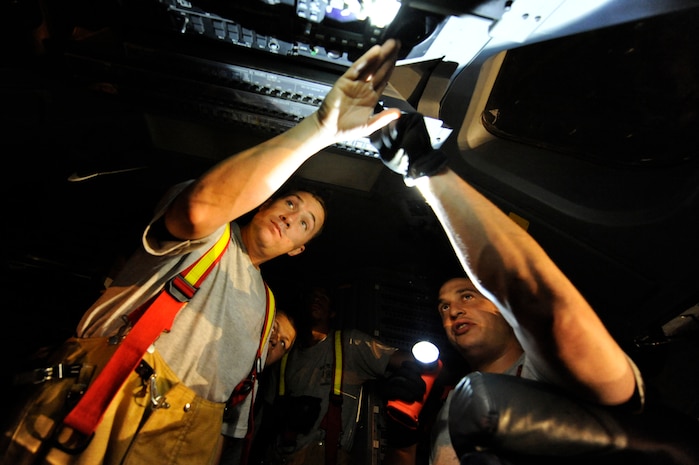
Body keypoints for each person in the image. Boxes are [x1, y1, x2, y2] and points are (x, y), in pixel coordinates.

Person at [1, 39, 403, 465]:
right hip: (97, 410)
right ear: (262, 202)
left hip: (184, 443)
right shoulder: (209, 237)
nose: (291, 217)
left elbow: (235, 421)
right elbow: (199, 209)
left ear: (297, 250)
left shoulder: (267, 309)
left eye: (305, 222)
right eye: (289, 203)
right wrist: (319, 129)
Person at [371, 112, 648, 465]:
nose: (452, 311)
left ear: (501, 307)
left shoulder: (546, 374)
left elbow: (536, 301)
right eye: (442, 308)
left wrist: (428, 171)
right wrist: (403, 441)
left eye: (466, 296)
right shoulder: (456, 402)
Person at [252, 283, 424, 465]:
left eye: (323, 297)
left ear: (332, 312)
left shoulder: (349, 344)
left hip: (324, 456)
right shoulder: (284, 351)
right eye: (311, 296)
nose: (316, 300)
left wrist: (432, 363)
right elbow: (264, 415)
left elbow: (397, 358)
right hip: (282, 456)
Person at [217, 308, 298, 465]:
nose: (274, 340)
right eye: (273, 328)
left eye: (283, 342)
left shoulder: (254, 393)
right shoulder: (219, 359)